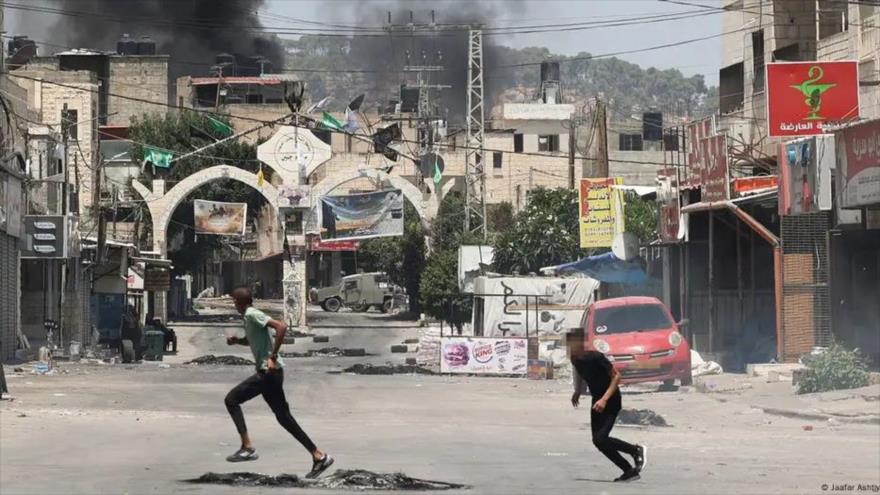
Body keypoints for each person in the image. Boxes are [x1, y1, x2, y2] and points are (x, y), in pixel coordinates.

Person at [224, 287, 334, 479]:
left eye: (234, 302)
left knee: (231, 400)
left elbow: (281, 327)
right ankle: (319, 456)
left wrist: (273, 356)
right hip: (273, 374)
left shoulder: (252, 314)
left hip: (268, 373)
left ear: (240, 303)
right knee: (284, 417)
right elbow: (254, 340)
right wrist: (237, 342)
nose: (234, 305)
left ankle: (247, 447)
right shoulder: (249, 317)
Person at [568, 330, 646, 482]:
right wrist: (578, 390)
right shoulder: (575, 359)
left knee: (601, 438)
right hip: (597, 399)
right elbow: (579, 372)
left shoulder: (595, 357)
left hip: (611, 400)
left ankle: (635, 450)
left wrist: (604, 399)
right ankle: (629, 470)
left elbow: (617, 376)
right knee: (598, 441)